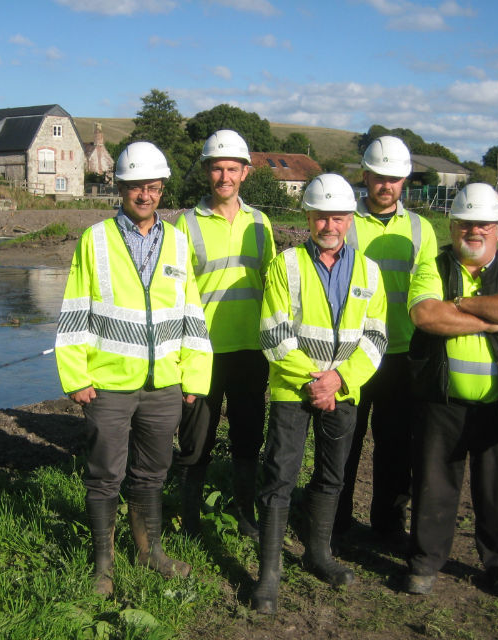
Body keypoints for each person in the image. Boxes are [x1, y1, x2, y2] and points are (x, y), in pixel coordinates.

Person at [54, 141, 213, 597]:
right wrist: (76, 376)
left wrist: (194, 376)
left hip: (164, 384)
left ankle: (149, 551)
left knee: (153, 473)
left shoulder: (179, 242)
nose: (145, 195)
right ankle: (102, 566)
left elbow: (191, 314)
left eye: (153, 187)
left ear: (162, 188)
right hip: (108, 383)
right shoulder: (96, 240)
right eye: (136, 187)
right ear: (120, 189)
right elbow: (74, 310)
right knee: (105, 473)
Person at [252, 174, 388, 613]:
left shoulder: (370, 270)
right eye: (320, 215)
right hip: (294, 390)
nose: (329, 224)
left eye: (338, 216)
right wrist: (317, 381)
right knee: (279, 475)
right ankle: (269, 575)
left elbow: (376, 337)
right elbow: (273, 334)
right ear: (308, 217)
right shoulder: (285, 264)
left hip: (343, 392)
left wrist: (341, 380)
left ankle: (318, 554)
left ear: (350, 218)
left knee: (333, 475)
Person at [404, 183, 498, 600]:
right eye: (465, 223)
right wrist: (485, 318)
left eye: (483, 224)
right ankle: (425, 562)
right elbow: (426, 315)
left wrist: (458, 304)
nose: (474, 231)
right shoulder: (432, 265)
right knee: (433, 486)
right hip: (442, 401)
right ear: (452, 226)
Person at [174, 130, 276, 539]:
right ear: (205, 171)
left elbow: (273, 285)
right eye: (217, 168)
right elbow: (175, 291)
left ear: (245, 173)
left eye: (232, 168)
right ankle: (191, 518)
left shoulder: (260, 223)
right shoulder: (184, 223)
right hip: (203, 353)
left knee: (248, 437)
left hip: (252, 349)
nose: (224, 176)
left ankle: (245, 512)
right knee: (196, 438)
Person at [336, 135, 438, 541]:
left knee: (396, 446)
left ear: (405, 181)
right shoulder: (344, 220)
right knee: (344, 442)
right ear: (365, 176)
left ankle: (388, 526)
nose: (386, 186)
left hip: (401, 353)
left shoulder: (420, 228)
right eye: (379, 177)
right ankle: (335, 522)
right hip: (351, 353)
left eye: (394, 179)